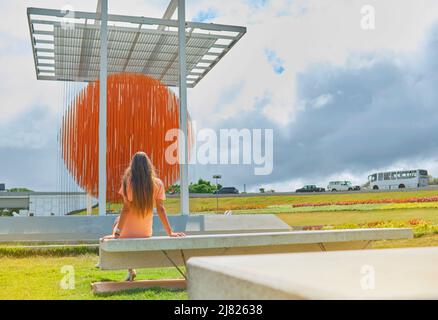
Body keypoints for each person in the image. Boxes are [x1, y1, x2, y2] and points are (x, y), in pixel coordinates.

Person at [101, 151, 185, 281]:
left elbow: (125, 210)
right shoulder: (158, 184)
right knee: (118, 220)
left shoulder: (127, 183)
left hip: (126, 233)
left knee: (117, 220)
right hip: (145, 231)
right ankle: (130, 268)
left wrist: (116, 234)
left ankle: (131, 268)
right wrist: (170, 232)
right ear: (148, 165)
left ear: (132, 166)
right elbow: (161, 209)